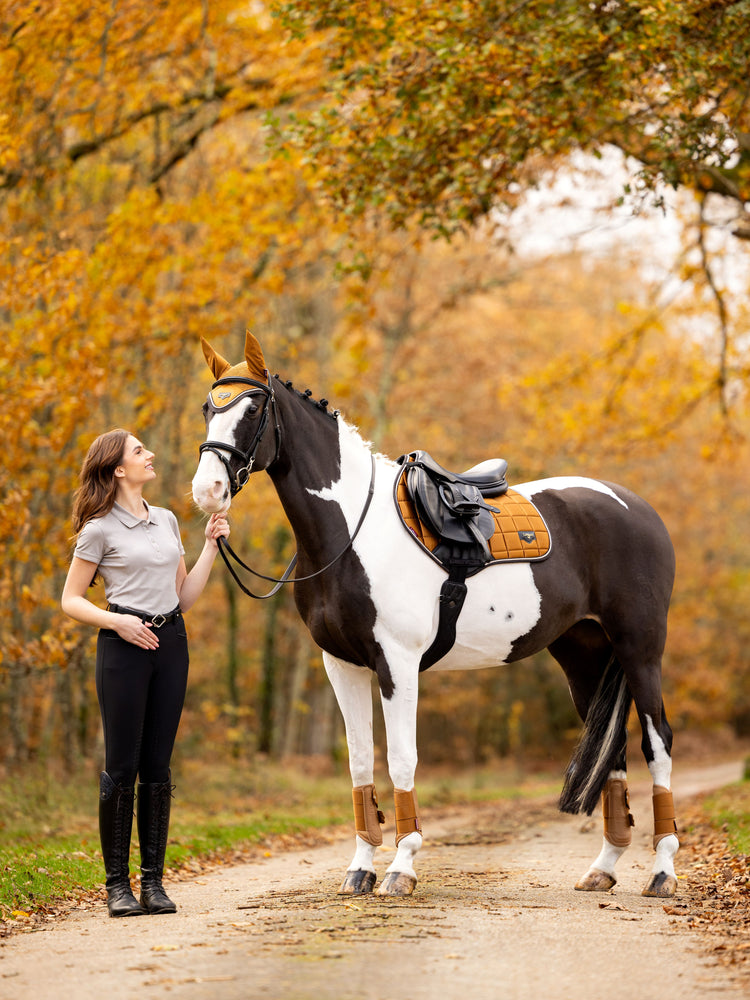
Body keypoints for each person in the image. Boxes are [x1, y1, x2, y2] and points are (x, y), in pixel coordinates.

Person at [61, 428, 229, 918]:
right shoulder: (98, 529)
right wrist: (119, 621)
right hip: (123, 649)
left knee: (158, 766)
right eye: (139, 451)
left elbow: (184, 599)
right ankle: (117, 887)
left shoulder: (168, 520)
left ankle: (153, 884)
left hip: (171, 645)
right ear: (117, 468)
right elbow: (70, 600)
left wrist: (210, 549)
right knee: (122, 766)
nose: (149, 454)